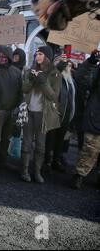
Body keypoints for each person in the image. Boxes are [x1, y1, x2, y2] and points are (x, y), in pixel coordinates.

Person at [20, 46, 62, 183]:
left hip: (43, 114)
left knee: (40, 146)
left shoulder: (55, 73)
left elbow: (53, 97)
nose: (37, 56)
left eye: (40, 54)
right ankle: (24, 171)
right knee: (26, 143)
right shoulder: (30, 70)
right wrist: (31, 79)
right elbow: (24, 89)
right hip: (28, 112)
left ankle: (37, 172)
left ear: (47, 57)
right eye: (36, 54)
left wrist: (43, 81)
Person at [0, 45, 23, 175]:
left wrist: (17, 107)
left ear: (9, 57)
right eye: (0, 56)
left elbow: (20, 91)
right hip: (0, 110)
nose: (2, 58)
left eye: (4, 56)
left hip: (12, 110)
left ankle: (2, 161)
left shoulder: (17, 72)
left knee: (6, 138)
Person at [71, 50, 100, 189]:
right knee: (90, 150)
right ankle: (79, 175)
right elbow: (82, 79)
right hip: (96, 118)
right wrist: (91, 62)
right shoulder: (98, 69)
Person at [44, 57, 75, 173]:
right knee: (50, 139)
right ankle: (47, 162)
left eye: (69, 65)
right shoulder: (54, 76)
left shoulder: (71, 81)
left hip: (66, 115)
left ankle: (56, 161)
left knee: (60, 140)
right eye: (66, 65)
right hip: (54, 113)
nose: (67, 67)